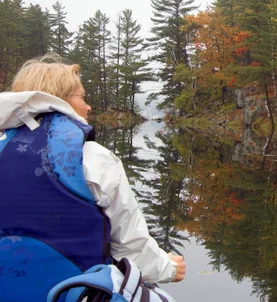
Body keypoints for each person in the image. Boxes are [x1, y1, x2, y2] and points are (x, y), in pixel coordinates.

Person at [0, 54, 186, 301]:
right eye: (83, 96)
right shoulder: (92, 157)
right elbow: (132, 250)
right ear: (60, 98)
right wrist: (170, 268)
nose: (88, 107)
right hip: (80, 294)